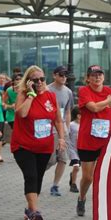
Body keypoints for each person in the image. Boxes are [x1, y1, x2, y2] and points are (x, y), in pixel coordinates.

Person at [10, 65, 66, 220]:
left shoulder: (51, 96)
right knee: (31, 176)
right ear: (28, 82)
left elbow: (57, 120)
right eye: (35, 80)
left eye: (42, 79)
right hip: (23, 145)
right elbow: (22, 113)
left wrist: (61, 138)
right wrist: (31, 95)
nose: (40, 82)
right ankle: (35, 212)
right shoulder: (22, 95)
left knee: (38, 178)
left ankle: (29, 209)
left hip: (44, 147)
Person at [76, 65, 111, 216]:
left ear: (104, 77)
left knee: (105, 175)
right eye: (93, 75)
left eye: (100, 74)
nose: (97, 77)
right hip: (88, 141)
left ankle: (102, 205)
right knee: (88, 177)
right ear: (88, 78)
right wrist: (110, 100)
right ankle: (81, 197)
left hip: (106, 141)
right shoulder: (84, 91)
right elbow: (94, 108)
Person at [46, 66, 74, 196]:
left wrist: (67, 127)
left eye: (65, 75)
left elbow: (68, 111)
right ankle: (36, 175)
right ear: (54, 75)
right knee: (50, 160)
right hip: (49, 128)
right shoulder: (47, 90)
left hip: (62, 128)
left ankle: (55, 186)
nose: (64, 78)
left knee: (63, 159)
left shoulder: (68, 92)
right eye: (61, 75)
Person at [67, 106, 80, 193]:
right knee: (76, 167)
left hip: (82, 149)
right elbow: (66, 135)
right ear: (78, 115)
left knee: (77, 168)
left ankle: (72, 175)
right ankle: (73, 185)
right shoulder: (71, 125)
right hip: (72, 149)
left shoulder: (85, 124)